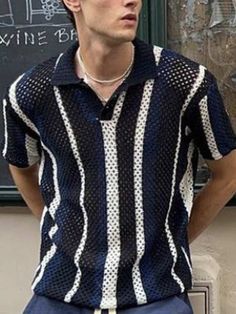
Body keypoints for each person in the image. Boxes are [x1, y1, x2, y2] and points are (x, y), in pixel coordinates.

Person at [1, 0, 236, 313]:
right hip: (59, 294)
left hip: (157, 296)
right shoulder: (31, 92)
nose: (132, 1)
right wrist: (61, 229)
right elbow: (21, 166)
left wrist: (171, 240)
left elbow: (228, 174)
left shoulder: (186, 83)